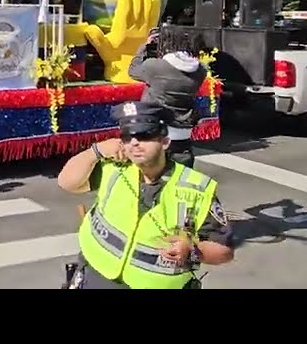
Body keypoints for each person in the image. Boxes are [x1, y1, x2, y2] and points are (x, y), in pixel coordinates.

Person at [56, 106, 235, 289]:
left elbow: (225, 251)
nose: (134, 142)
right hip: (96, 278)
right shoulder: (114, 169)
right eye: (127, 137)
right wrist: (96, 150)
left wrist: (193, 252)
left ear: (165, 141)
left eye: (144, 136)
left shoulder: (196, 188)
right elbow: (67, 182)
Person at [127, 25, 208, 167]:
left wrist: (145, 47)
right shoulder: (200, 70)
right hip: (183, 134)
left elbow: (133, 70)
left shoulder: (155, 67)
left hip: (156, 132)